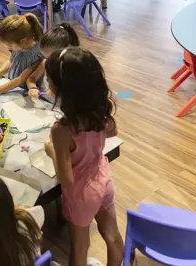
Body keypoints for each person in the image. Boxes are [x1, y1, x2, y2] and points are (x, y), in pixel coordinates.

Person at [44, 47, 124, 266]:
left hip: (80, 192)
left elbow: (67, 179)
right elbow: (113, 131)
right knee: (113, 236)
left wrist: (51, 150)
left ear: (62, 90)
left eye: (49, 81)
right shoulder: (99, 112)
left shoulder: (61, 130)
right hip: (103, 179)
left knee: (80, 248)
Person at [0, 14, 44, 101]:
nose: (8, 48)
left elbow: (21, 79)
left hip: (29, 92)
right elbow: (11, 61)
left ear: (22, 41)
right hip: (13, 87)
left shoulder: (37, 55)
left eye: (9, 45)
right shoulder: (20, 46)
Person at [26, 22, 80, 99]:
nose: (48, 61)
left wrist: (57, 90)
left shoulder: (75, 67)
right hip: (47, 104)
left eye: (52, 58)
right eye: (45, 57)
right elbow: (31, 79)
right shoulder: (45, 63)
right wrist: (33, 88)